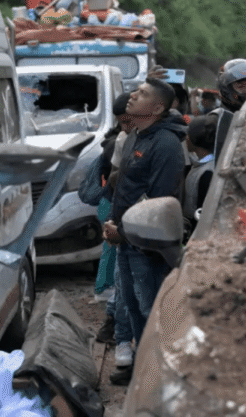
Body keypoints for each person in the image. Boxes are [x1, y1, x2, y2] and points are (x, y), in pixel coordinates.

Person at [102, 78, 186, 385]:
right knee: (134, 308)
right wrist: (113, 223)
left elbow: (160, 201)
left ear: (158, 107)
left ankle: (164, 379)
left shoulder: (166, 145)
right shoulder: (136, 136)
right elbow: (126, 188)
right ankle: (144, 371)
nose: (133, 95)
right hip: (127, 240)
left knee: (152, 310)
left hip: (148, 245)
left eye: (142, 94)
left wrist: (122, 232)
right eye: (135, 91)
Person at [95, 93, 136, 369]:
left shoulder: (138, 139)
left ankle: (115, 328)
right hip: (123, 217)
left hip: (125, 216)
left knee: (123, 280)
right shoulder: (122, 141)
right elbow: (114, 180)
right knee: (123, 279)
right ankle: (120, 337)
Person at [182, 114, 216, 239]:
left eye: (188, 135)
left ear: (195, 139)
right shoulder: (199, 163)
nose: (186, 138)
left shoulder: (207, 172)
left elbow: (201, 212)